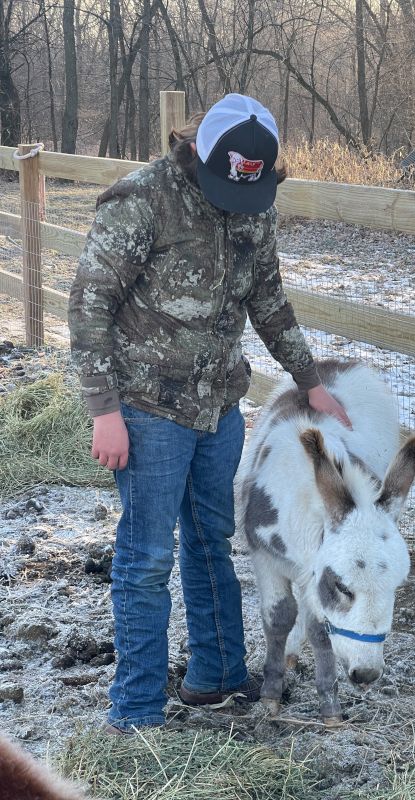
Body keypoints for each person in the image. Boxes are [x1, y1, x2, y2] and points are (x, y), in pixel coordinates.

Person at [68, 93, 351, 733]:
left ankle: (217, 674)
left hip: (219, 404)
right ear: (200, 152)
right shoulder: (142, 201)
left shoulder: (256, 209)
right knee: (145, 560)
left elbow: (270, 303)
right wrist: (103, 409)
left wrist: (311, 382)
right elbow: (88, 306)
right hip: (146, 409)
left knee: (211, 540)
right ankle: (136, 710)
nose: (237, 199)